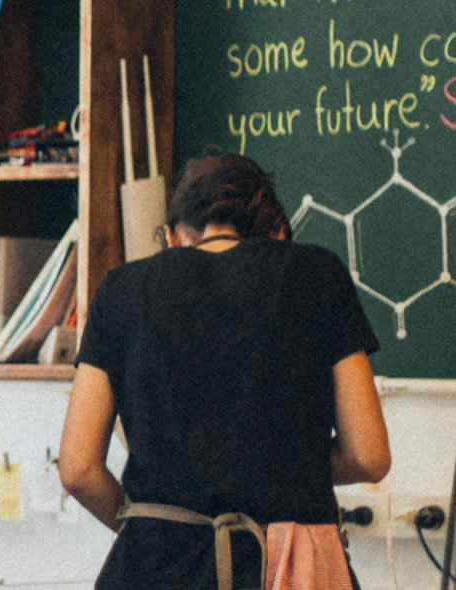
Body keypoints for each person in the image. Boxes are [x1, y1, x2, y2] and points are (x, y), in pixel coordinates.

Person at [59, 153, 391, 590]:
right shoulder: (316, 275)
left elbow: (78, 469)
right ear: (275, 232)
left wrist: (144, 526)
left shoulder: (121, 289)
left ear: (173, 236)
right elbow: (368, 456)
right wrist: (279, 466)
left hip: (152, 565)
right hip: (284, 566)